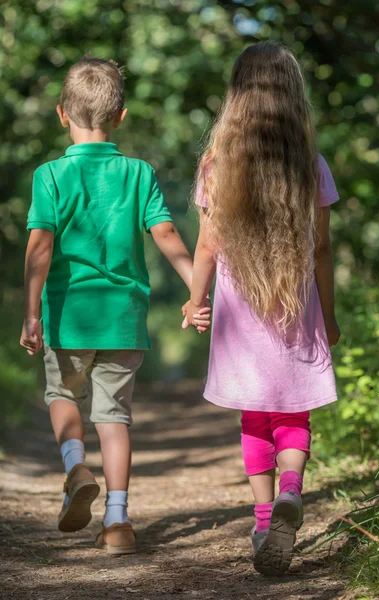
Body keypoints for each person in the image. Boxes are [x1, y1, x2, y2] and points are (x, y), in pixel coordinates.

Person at [20, 57, 210, 555]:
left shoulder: (50, 176)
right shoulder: (139, 172)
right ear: (121, 116)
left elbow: (40, 248)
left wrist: (32, 313)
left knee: (63, 396)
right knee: (115, 417)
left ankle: (76, 467)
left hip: (68, 315)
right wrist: (196, 293)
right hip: (124, 318)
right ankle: (119, 521)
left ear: (62, 114)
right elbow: (166, 233)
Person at [182, 42, 341, 576]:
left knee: (255, 416)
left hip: (239, 317)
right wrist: (332, 315)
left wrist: (196, 300)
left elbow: (207, 245)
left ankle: (261, 517)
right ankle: (292, 492)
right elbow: (321, 249)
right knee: (293, 412)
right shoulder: (309, 165)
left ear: (236, 96)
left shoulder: (217, 165)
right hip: (297, 310)